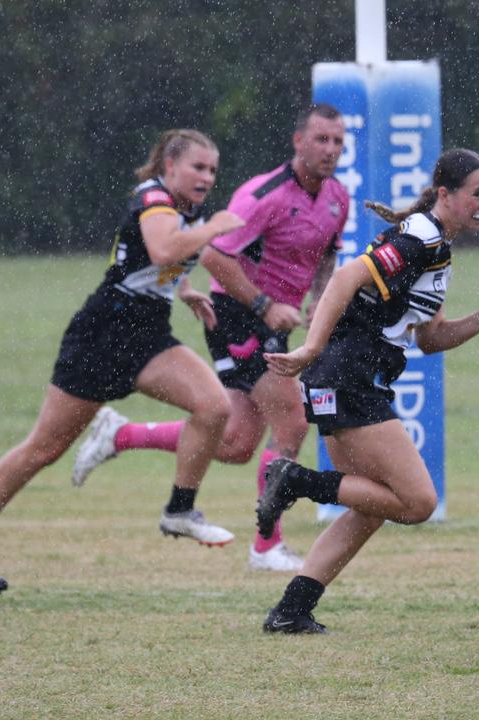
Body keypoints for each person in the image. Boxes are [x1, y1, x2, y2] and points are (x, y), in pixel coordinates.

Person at [254, 148, 479, 634]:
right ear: (445, 194)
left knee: (370, 507)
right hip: (349, 375)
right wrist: (310, 348)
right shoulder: (422, 238)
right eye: (478, 193)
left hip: (350, 377)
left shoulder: (439, 249)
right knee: (417, 502)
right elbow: (345, 277)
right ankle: (295, 481)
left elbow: (429, 337)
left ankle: (291, 610)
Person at [0, 130, 244, 580]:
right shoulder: (155, 199)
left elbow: (151, 260)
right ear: (169, 165)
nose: (207, 176)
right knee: (43, 449)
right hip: (103, 333)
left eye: (212, 170)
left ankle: (179, 510)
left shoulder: (192, 209)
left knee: (214, 406)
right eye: (197, 167)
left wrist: (184, 290)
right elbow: (164, 246)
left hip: (147, 333)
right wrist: (213, 229)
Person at [70, 104, 349, 573]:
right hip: (239, 318)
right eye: (321, 140)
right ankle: (266, 545)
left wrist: (319, 304)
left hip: (274, 324)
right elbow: (216, 258)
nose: (331, 150)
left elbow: (326, 259)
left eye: (338, 142)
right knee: (294, 421)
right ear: (298, 142)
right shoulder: (264, 194)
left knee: (236, 442)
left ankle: (121, 433)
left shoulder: (337, 196)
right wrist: (264, 304)